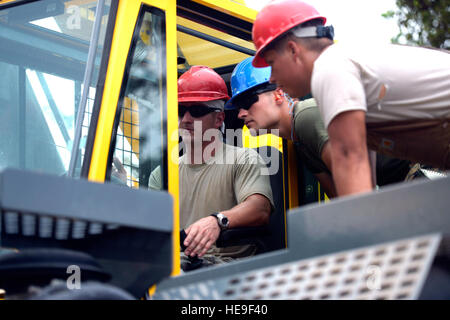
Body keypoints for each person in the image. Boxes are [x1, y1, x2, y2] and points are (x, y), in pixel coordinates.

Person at [251, 0, 450, 196]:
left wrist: (358, 226)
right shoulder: (343, 66)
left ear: (293, 50)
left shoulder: (329, 68)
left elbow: (350, 159)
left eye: (271, 63)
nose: (272, 77)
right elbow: (365, 182)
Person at [226, 57, 412, 198]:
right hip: (396, 195)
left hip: (411, 184)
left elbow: (357, 192)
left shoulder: (307, 116)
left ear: (278, 94)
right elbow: (341, 199)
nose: (241, 113)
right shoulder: (299, 141)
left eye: (247, 101)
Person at [149, 66, 273, 267]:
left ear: (219, 119)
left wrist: (218, 221)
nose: (186, 120)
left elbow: (260, 209)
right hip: (174, 265)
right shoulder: (162, 175)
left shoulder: (243, 159)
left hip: (226, 267)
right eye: (181, 111)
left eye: (197, 111)